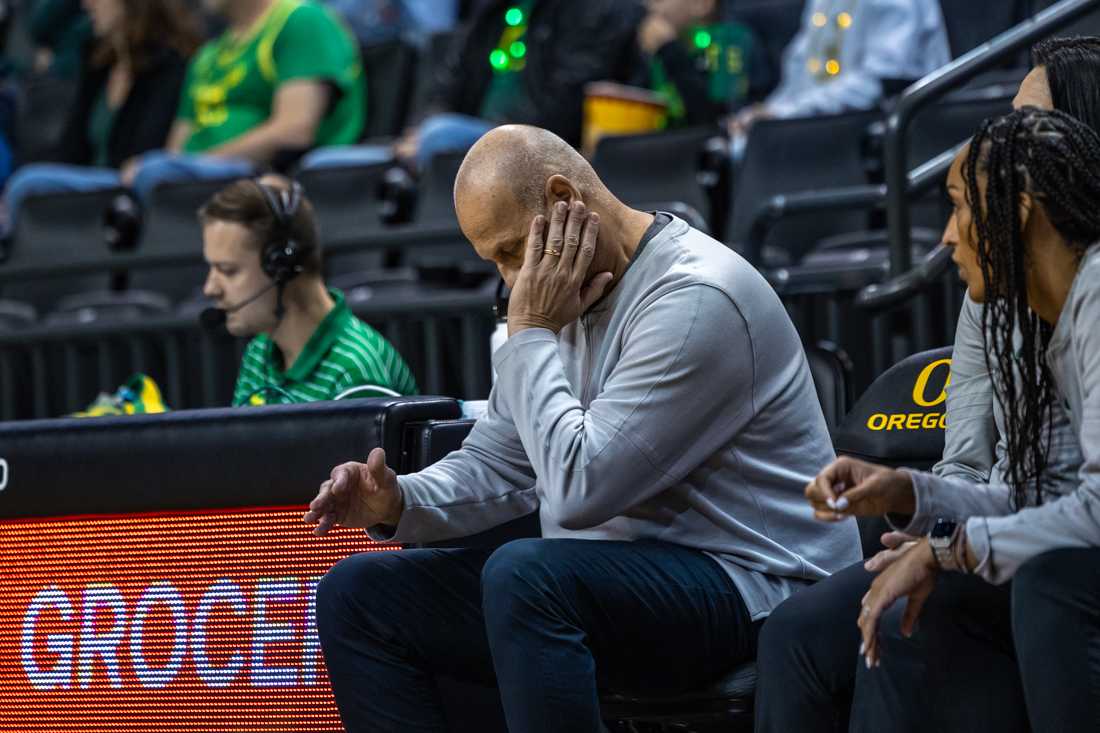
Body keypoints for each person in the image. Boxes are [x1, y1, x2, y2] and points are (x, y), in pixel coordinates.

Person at [304, 124, 862, 733]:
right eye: (494, 260)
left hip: (755, 584)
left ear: (565, 201)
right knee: (360, 594)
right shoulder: (559, 300)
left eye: (513, 250)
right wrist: (400, 500)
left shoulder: (696, 298)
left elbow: (578, 492)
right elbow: (502, 462)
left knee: (527, 576)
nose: (511, 280)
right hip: (619, 584)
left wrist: (532, 334)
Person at [753, 36, 1100, 733]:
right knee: (810, 630)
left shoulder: (1091, 291)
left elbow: (1084, 509)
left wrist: (947, 547)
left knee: (1008, 594)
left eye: (1029, 136)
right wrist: (912, 497)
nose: (945, 237)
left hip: (1053, 558)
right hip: (1027, 535)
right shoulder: (1008, 296)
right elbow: (1020, 484)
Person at [200, 175, 417, 406]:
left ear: (282, 266)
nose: (210, 288)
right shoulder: (260, 352)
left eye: (228, 270)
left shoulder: (355, 374)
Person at [125, 0, 365, 198]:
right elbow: (176, 149)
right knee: (100, 185)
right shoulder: (207, 55)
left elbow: (296, 129)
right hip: (190, 181)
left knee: (152, 173)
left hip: (266, 181)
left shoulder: (302, 21)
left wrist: (201, 162)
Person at [3, 0, 200, 227]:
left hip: (131, 189)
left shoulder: (172, 66)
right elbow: (70, 150)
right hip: (90, 188)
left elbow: (146, 153)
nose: (86, 4)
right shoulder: (98, 64)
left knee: (28, 183)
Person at [388, 0, 645, 169]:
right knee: (357, 160)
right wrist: (419, 130)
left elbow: (563, 106)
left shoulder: (593, 10)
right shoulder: (492, 11)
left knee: (439, 136)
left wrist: (500, 132)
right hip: (467, 132)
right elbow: (447, 84)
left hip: (540, 142)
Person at [730, 0, 950, 137]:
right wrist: (765, 113)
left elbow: (881, 83)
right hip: (824, 128)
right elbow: (800, 74)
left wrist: (782, 114)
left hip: (881, 134)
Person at [634, 0, 762, 128]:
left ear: (702, 4)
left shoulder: (731, 40)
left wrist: (670, 50)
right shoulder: (657, 43)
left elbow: (721, 118)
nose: (648, 4)